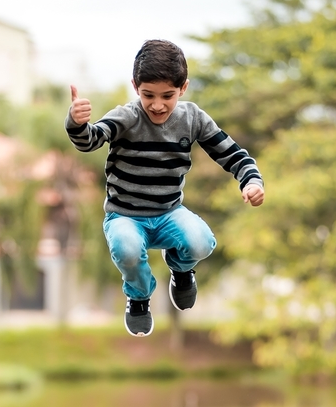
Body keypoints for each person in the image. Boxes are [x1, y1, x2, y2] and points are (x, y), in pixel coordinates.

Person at [66, 39, 264, 337]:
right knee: (127, 249)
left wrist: (251, 180)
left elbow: (232, 154)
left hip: (169, 212)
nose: (157, 105)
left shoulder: (193, 118)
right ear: (135, 86)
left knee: (201, 242)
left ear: (183, 88)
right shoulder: (127, 117)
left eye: (167, 96)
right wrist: (77, 123)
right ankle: (139, 296)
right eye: (148, 95)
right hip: (125, 216)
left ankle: (182, 271)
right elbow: (91, 141)